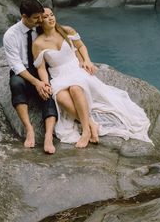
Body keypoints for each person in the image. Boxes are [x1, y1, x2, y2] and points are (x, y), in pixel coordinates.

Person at [32, 8, 152, 148]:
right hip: (58, 75)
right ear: (40, 21)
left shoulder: (66, 30)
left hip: (75, 69)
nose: (51, 18)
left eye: (52, 15)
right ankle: (91, 124)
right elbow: (41, 68)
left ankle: (86, 131)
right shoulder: (38, 44)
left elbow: (81, 46)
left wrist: (87, 60)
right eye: (46, 17)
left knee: (76, 89)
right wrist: (45, 84)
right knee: (61, 97)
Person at [3, 0, 61, 154]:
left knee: (49, 89)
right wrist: (36, 83)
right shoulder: (10, 35)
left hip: (40, 67)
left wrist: (43, 82)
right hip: (22, 71)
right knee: (16, 84)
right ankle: (29, 128)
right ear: (24, 16)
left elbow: (60, 37)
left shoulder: (41, 27)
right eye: (36, 17)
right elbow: (16, 66)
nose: (40, 20)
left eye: (41, 16)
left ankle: (49, 135)